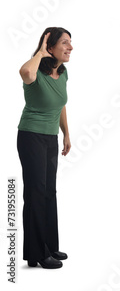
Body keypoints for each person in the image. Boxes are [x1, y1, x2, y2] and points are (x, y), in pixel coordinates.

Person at [17, 27, 73, 269]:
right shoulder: (34, 73)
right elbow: (25, 71)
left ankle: (48, 246)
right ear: (50, 47)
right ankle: (36, 252)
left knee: (49, 192)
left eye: (70, 42)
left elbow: (60, 104)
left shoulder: (63, 73)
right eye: (64, 43)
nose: (70, 47)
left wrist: (66, 133)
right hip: (31, 137)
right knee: (36, 193)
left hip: (50, 138)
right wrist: (40, 52)